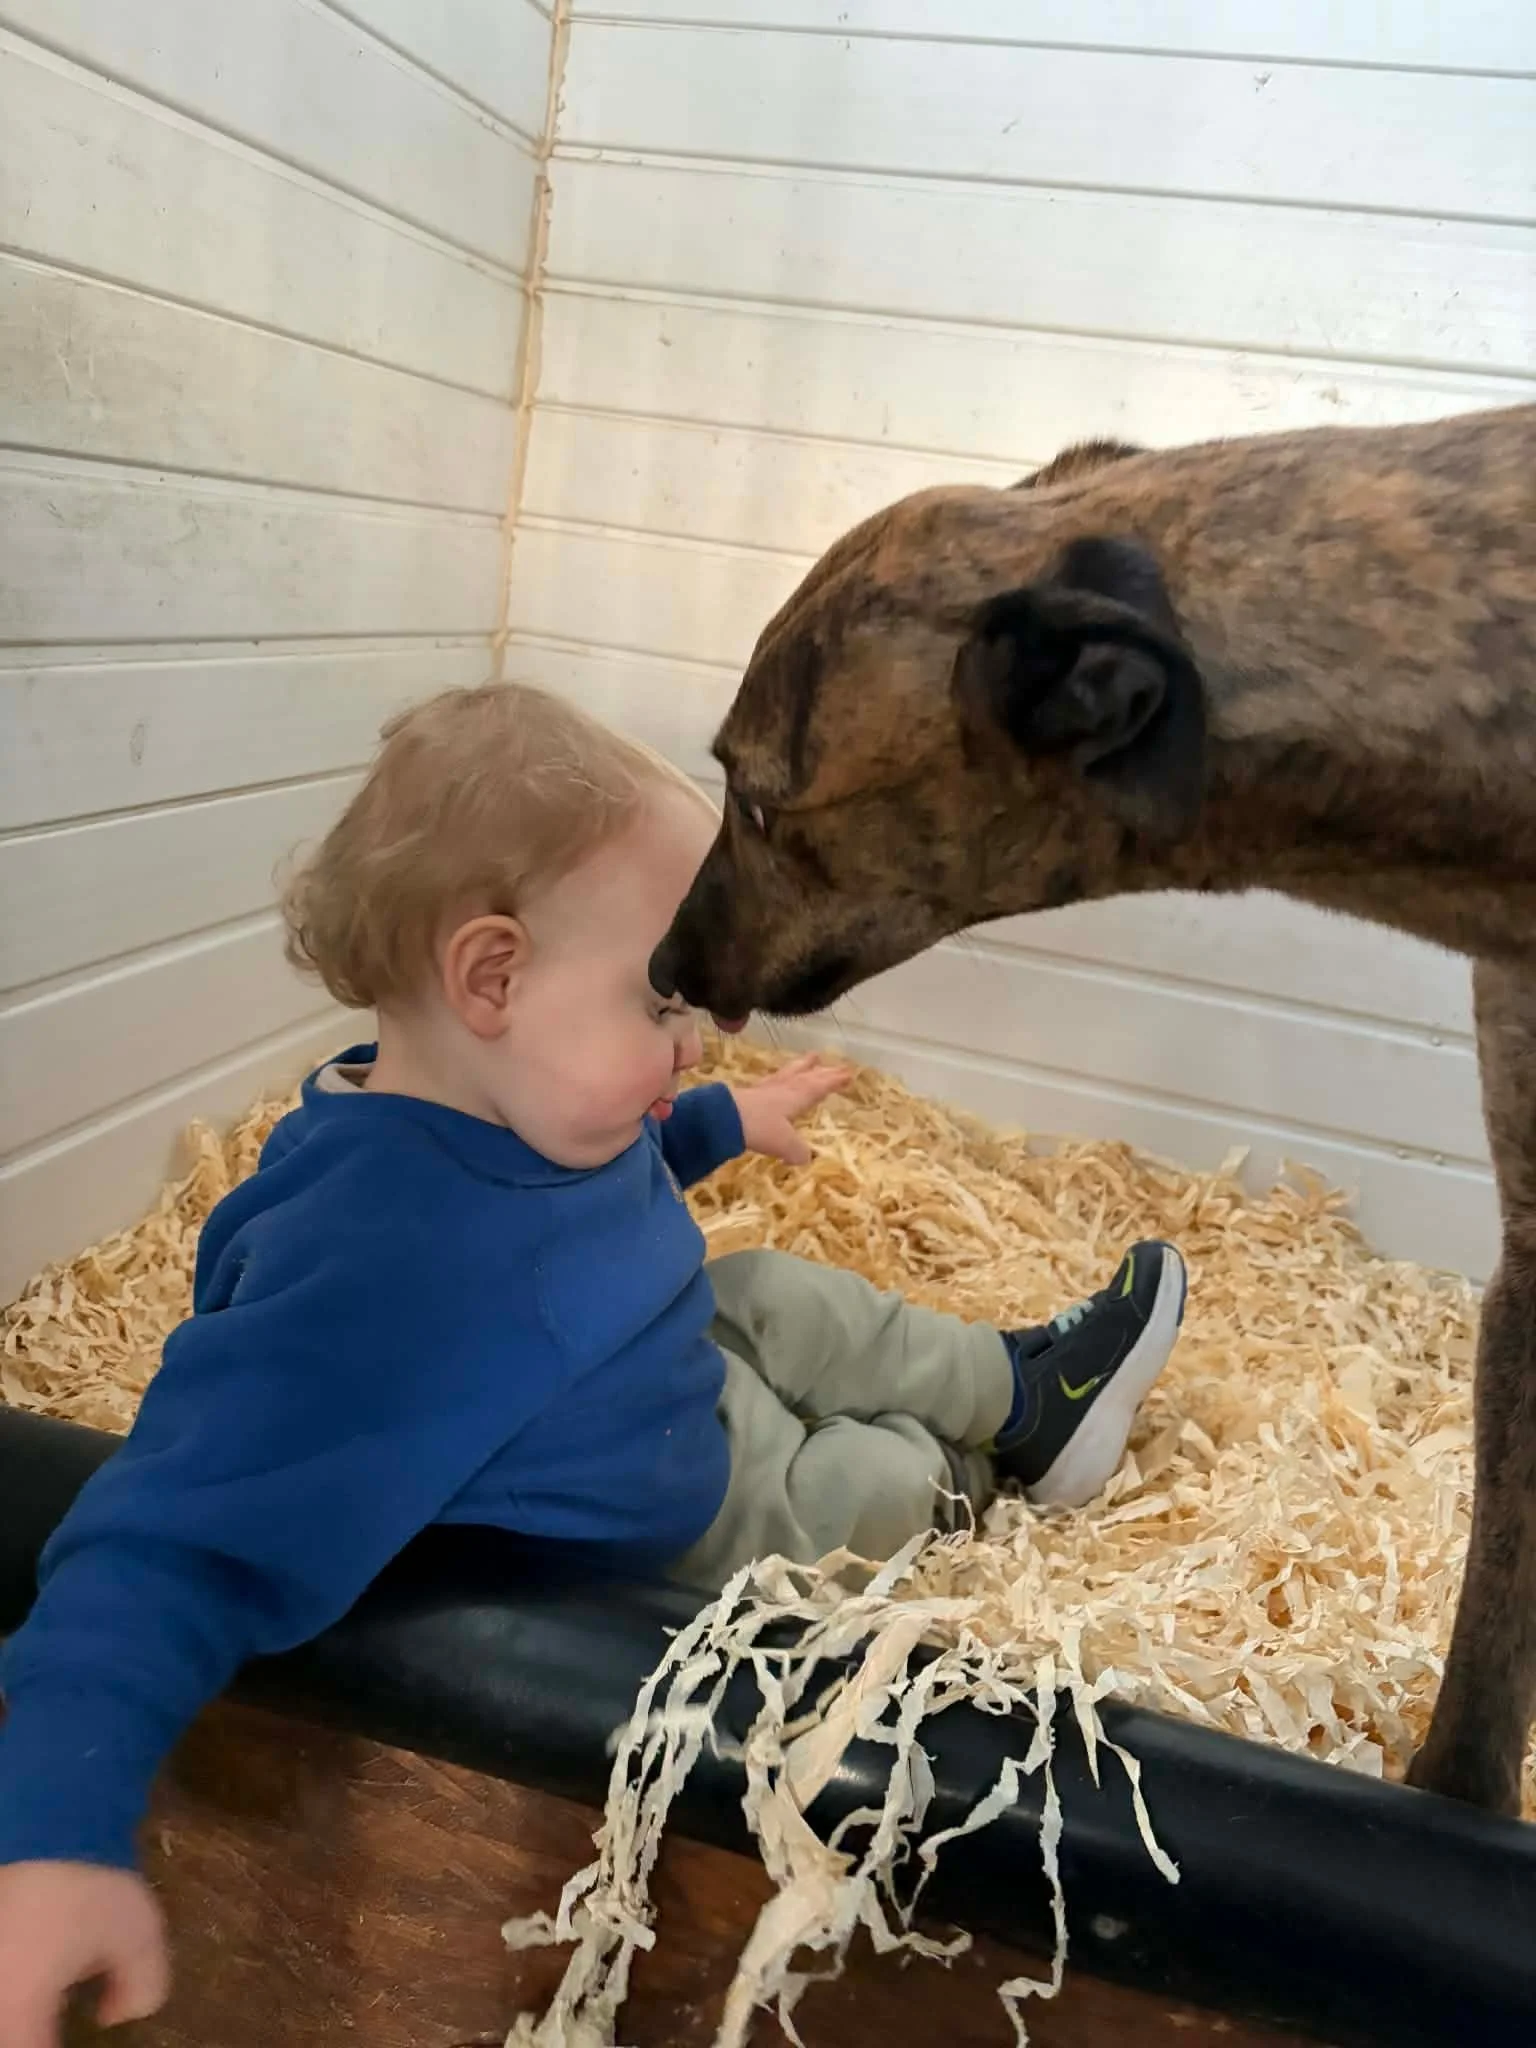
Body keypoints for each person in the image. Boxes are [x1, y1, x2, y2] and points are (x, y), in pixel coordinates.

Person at [0, 684, 1187, 2043]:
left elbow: (596, 1184)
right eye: (666, 1000)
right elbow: (163, 1549)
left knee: (785, 1296)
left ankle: (1036, 1396)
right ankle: (973, 1478)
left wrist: (724, 1119)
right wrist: (55, 1836)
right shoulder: (379, 1273)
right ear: (491, 976)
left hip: (663, 1356)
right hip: (700, 1507)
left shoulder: (496, 1095)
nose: (702, 1037)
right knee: (865, 1474)